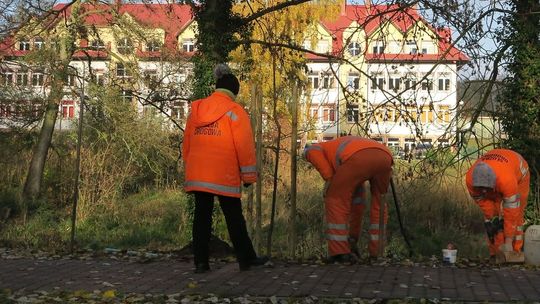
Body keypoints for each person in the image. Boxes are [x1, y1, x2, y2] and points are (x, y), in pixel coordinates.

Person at [182, 64, 267, 273]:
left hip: (199, 174)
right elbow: (244, 146)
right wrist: (248, 176)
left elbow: (187, 144)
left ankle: (201, 263)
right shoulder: (235, 112)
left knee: (202, 217)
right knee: (234, 217)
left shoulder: (197, 109)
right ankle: (246, 259)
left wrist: (189, 168)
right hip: (223, 175)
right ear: (233, 91)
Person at [303, 136, 394, 261]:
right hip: (385, 156)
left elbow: (313, 154)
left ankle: (339, 252)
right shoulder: (338, 145)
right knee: (377, 202)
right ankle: (376, 252)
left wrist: (329, 179)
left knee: (335, 198)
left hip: (357, 158)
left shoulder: (314, 148)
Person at [465, 149, 530, 261]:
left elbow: (511, 212)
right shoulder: (470, 180)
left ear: (494, 182)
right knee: (493, 221)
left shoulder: (506, 180)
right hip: (497, 175)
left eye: (486, 188)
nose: (484, 192)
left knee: (516, 215)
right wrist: (491, 219)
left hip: (519, 175)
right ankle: (496, 254)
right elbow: (484, 204)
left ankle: (514, 252)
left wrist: (508, 240)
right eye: (481, 188)